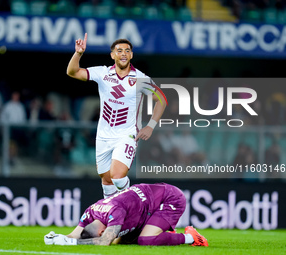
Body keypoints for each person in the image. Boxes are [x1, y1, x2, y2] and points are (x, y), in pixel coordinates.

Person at [67, 33, 166, 198]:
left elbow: (161, 99)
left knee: (117, 176)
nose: (124, 54)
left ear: (131, 55)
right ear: (112, 55)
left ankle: (137, 205)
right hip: (104, 135)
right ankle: (114, 218)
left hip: (127, 134)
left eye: (127, 51)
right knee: (107, 181)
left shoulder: (140, 79)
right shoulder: (103, 73)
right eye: (119, 51)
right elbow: (72, 72)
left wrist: (150, 126)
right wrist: (78, 54)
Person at [44, 183, 208, 247]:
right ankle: (162, 232)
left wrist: (72, 244)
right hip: (144, 205)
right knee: (123, 241)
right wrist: (57, 237)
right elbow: (75, 234)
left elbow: (104, 241)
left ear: (101, 230)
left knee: (146, 240)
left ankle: (191, 237)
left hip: (169, 197)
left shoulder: (115, 212)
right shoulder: (91, 211)